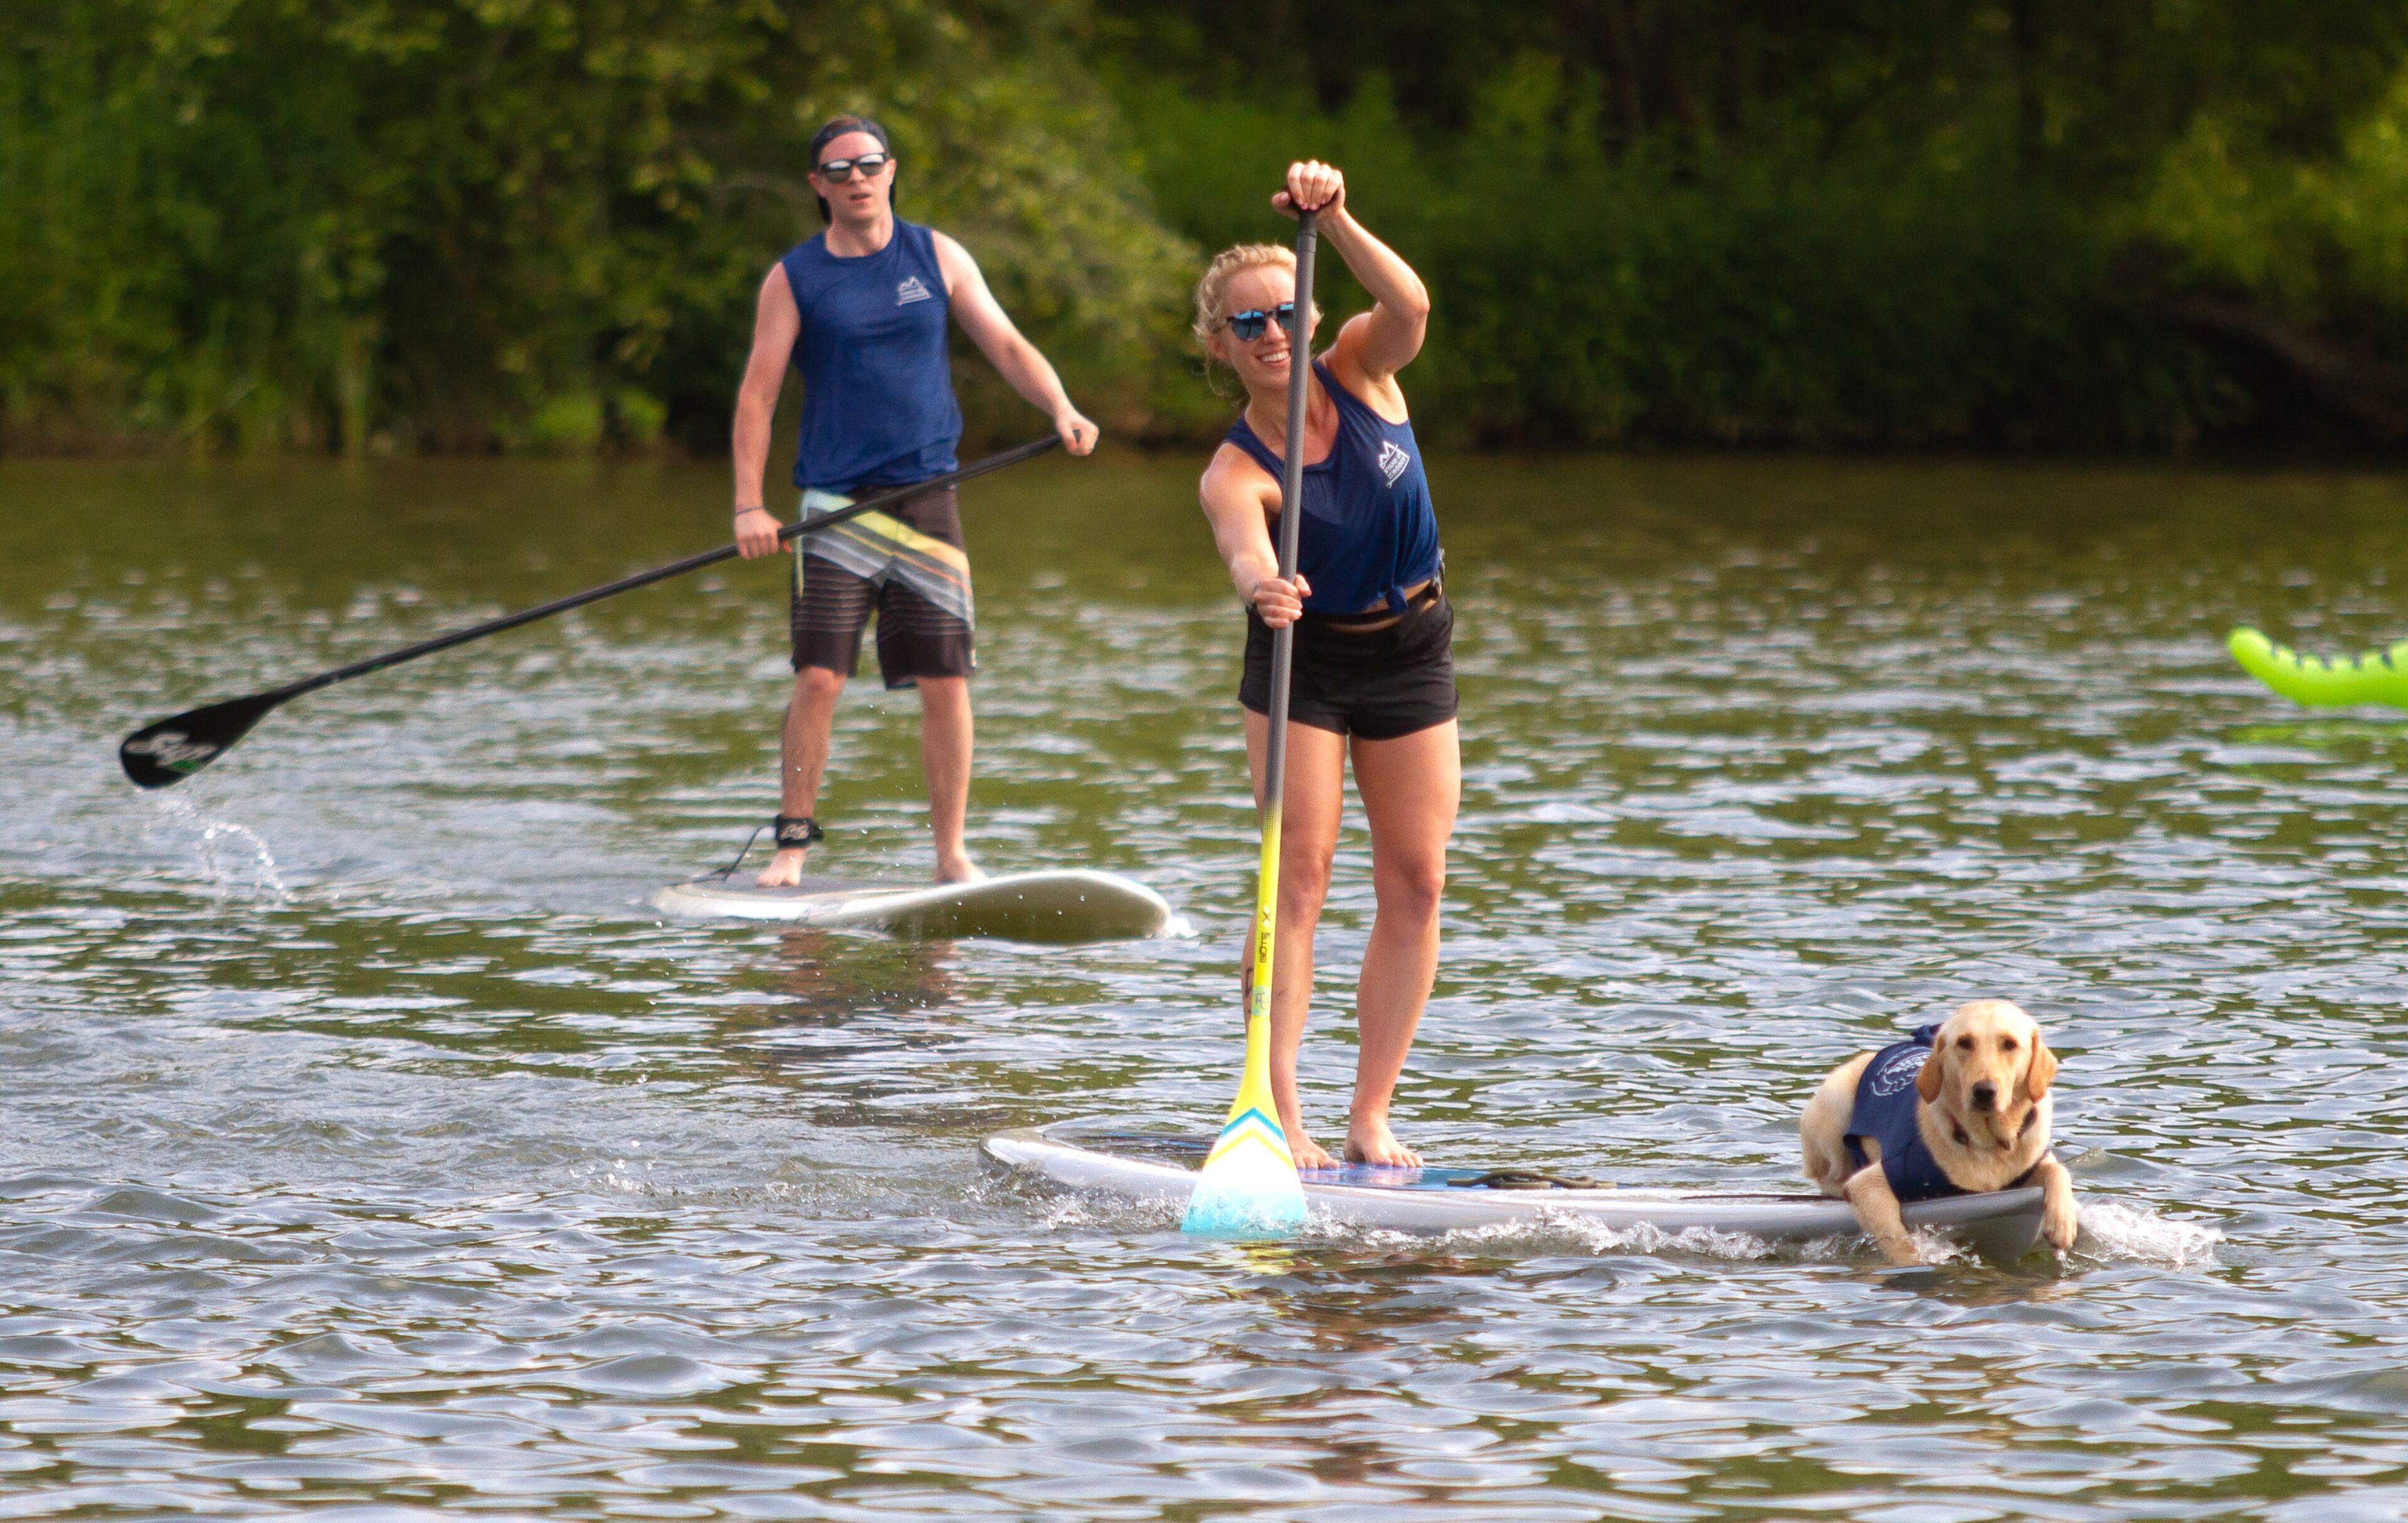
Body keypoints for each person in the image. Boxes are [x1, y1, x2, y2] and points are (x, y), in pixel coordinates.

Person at [731, 114, 1097, 885]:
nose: (855, 179)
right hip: (835, 504)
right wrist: (747, 506)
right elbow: (758, 396)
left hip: (929, 499)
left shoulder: (936, 254)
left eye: (867, 164)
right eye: (838, 170)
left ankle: (950, 854)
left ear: (891, 170)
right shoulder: (795, 277)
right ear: (818, 187)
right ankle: (791, 845)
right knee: (820, 676)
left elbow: (1004, 343)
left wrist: (1060, 407)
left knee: (946, 679)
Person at [1194, 160, 1455, 1169]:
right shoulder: (1233, 469)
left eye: (1282, 314)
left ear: (1310, 318)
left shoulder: (1360, 365)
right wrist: (1261, 584)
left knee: (1418, 881)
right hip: (1302, 658)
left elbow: (1411, 302)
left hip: (1411, 645)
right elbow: (1242, 545)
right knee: (1295, 880)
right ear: (1220, 345)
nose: (1269, 335)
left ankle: (1370, 1114)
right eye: (1246, 324)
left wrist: (1337, 218)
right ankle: (1276, 1111)